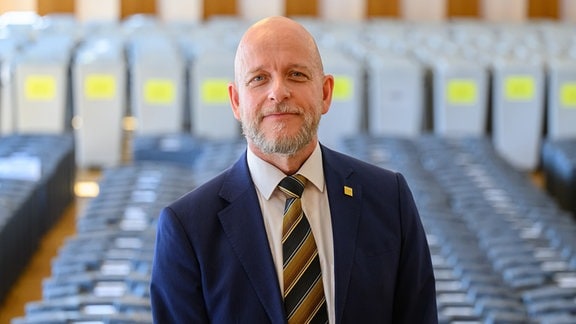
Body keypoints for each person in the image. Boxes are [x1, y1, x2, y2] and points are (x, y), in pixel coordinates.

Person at [150, 16, 437, 323]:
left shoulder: (389, 199)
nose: (278, 92)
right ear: (236, 101)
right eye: (259, 78)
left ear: (325, 93)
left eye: (296, 75)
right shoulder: (188, 228)